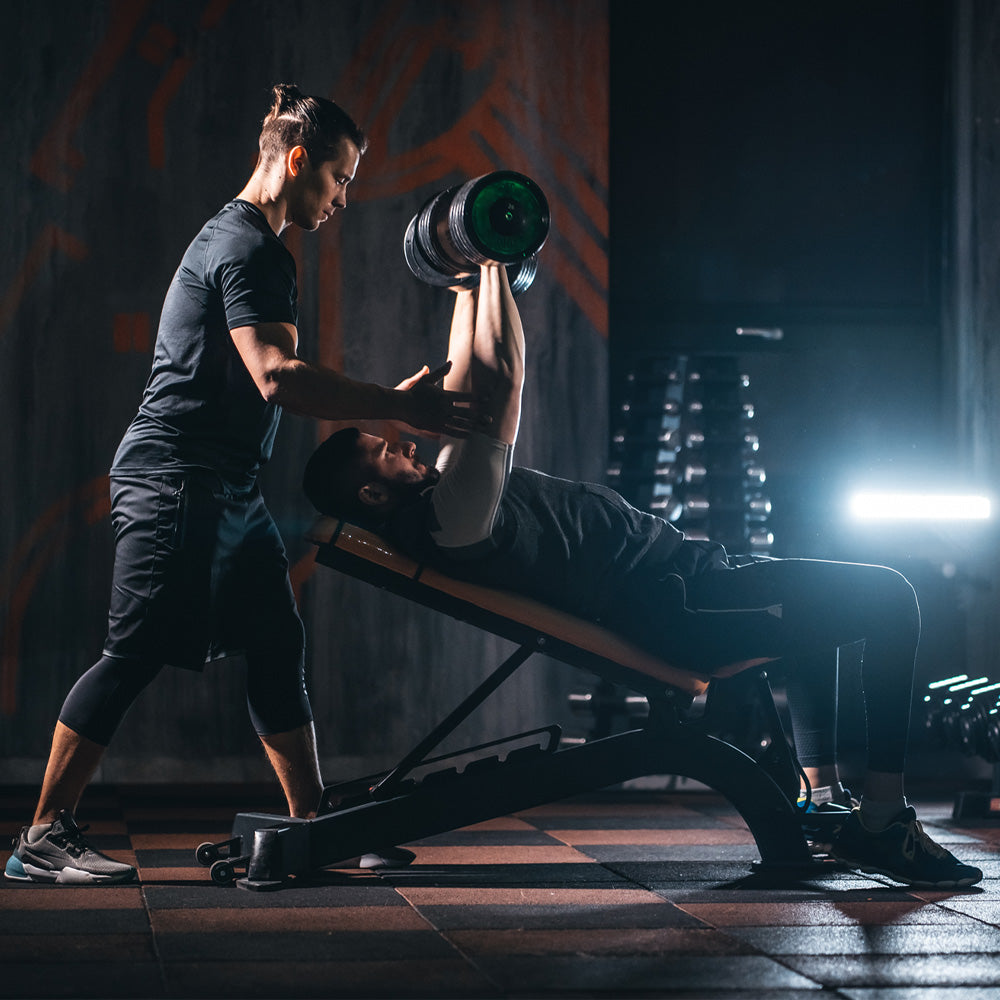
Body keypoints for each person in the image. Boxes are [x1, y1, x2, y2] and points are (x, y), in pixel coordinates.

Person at [301, 263, 983, 889]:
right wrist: (494, 266)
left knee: (826, 600)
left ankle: (825, 801)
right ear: (370, 497)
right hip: (682, 607)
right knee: (893, 599)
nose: (406, 440)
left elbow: (462, 383)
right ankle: (884, 823)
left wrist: (464, 286)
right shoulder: (452, 514)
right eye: (386, 450)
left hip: (692, 579)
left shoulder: (438, 500)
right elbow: (501, 381)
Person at [5, 84, 473, 885]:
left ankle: (312, 826)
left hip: (224, 487)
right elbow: (277, 377)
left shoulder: (242, 241)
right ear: (297, 162)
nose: (342, 197)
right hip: (175, 479)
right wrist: (400, 405)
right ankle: (43, 835)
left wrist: (385, 407)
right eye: (340, 177)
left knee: (275, 640)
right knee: (134, 651)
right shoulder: (253, 249)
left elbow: (270, 380)